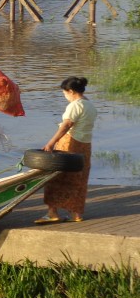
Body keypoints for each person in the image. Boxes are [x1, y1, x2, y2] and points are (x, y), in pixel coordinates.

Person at [37, 77, 97, 224]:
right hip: (85, 147)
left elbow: (66, 125)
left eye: (64, 93)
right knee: (79, 179)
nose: (64, 96)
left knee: (56, 177)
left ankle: (52, 213)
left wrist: (51, 143)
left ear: (70, 91)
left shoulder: (75, 106)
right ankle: (76, 214)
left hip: (70, 145)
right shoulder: (89, 105)